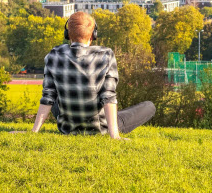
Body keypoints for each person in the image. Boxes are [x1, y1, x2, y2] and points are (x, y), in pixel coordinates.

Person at [30, 11, 155, 139]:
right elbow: (108, 97)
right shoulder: (105, 55)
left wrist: (34, 131)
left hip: (67, 128)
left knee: (55, 96)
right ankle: (112, 127)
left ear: (68, 34)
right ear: (93, 35)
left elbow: (48, 96)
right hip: (99, 128)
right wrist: (115, 136)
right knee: (149, 106)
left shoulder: (54, 54)